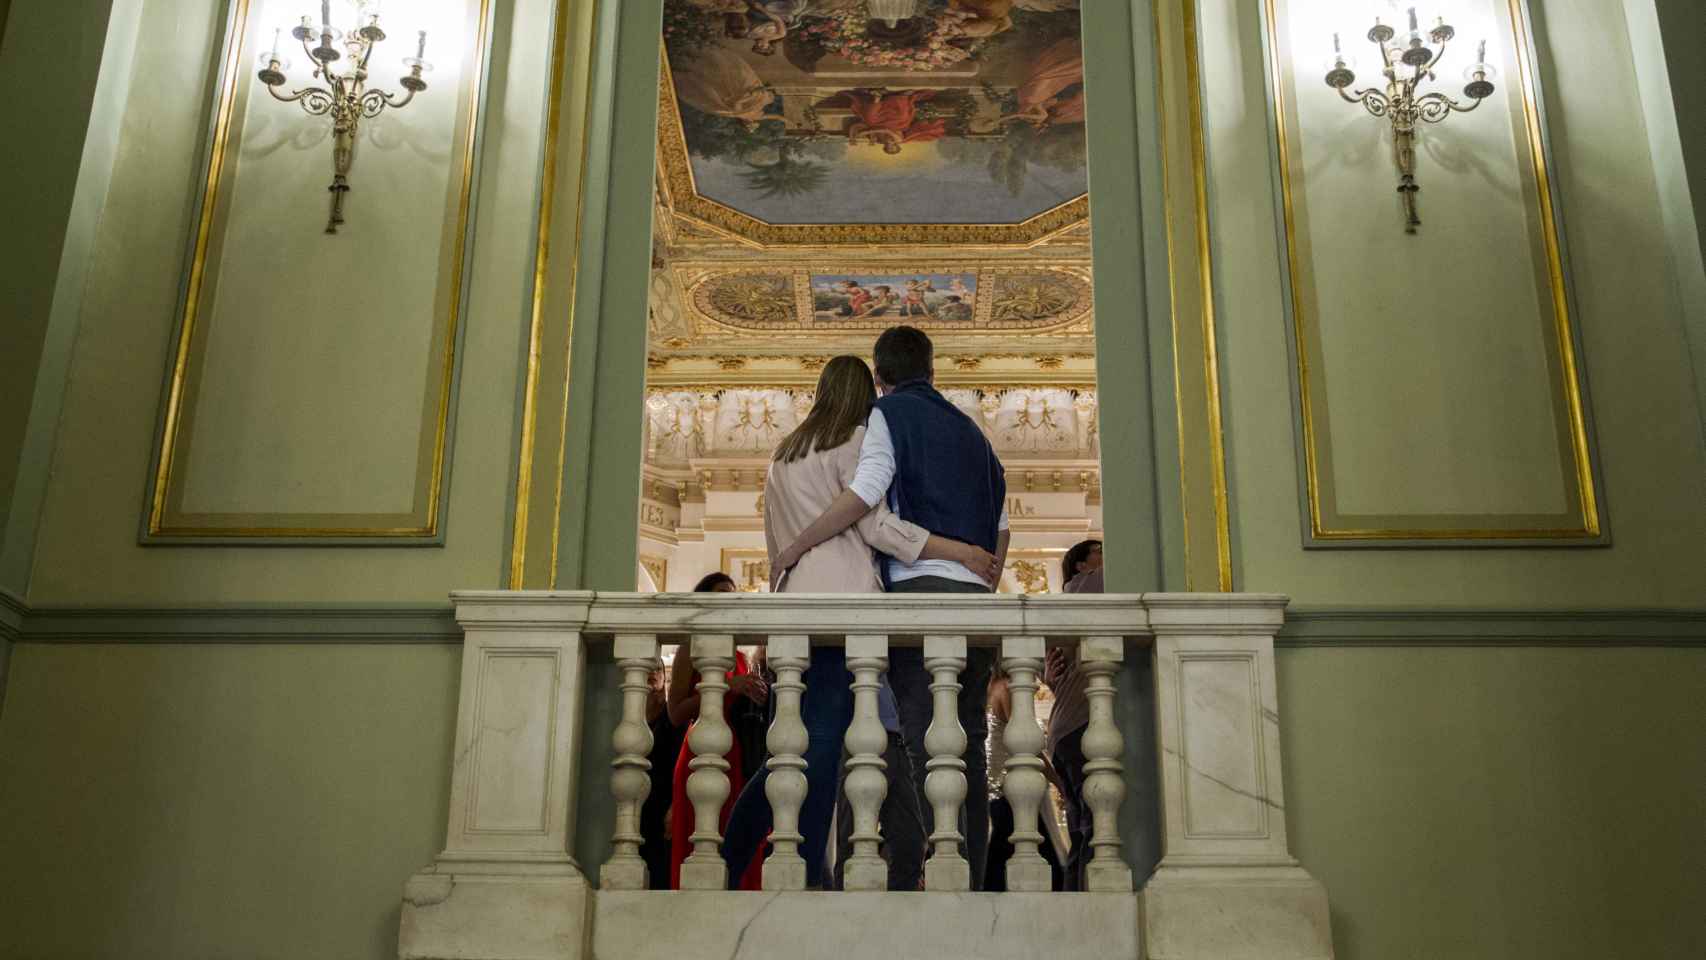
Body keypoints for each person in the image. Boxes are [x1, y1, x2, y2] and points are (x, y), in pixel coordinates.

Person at [718, 356, 998, 890]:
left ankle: (739, 859)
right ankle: (802, 872)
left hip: (794, 608)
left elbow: (776, 546)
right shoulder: (853, 443)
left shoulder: (783, 454)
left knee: (790, 749)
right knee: (822, 749)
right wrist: (957, 551)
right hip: (843, 611)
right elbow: (876, 525)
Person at [665, 572, 768, 889]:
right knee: (702, 834)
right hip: (702, 751)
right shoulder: (690, 648)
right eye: (722, 592)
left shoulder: (739, 656)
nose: (730, 598)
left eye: (733, 594)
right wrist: (725, 685)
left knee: (739, 833)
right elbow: (675, 712)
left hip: (739, 752)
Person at [1045, 538, 1103, 889]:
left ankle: (1075, 892)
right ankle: (1086, 896)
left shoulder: (1066, 601)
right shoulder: (1091, 585)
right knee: (1094, 822)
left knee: (1080, 823)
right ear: (1081, 565)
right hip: (1081, 724)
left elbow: (1048, 672)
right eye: (1099, 550)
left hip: (1062, 730)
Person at [983, 667, 1065, 891]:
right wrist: (1060, 783)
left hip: (998, 793)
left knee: (998, 868)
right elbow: (1029, 748)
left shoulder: (988, 689)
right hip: (1012, 791)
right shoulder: (1007, 689)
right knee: (1049, 869)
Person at [672, 47, 776, 129]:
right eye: (753, 122)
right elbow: (774, 117)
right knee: (724, 68)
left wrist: (749, 96)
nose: (754, 120)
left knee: (709, 72)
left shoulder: (739, 113)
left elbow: (737, 103)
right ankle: (690, 55)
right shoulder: (747, 113)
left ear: (746, 121)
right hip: (735, 90)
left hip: (727, 92)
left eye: (751, 122)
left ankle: (684, 60)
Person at [1001, 38, 1086, 130]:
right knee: (1047, 79)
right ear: (1042, 124)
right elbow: (1018, 114)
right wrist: (1001, 120)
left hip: (1031, 98)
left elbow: (1018, 115)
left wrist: (1000, 120)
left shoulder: (1031, 117)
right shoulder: (1042, 117)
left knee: (1041, 78)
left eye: (1034, 126)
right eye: (1037, 126)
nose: (1034, 125)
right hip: (1037, 97)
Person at [845, 90, 948, 154]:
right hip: (897, 122)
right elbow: (885, 130)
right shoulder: (899, 139)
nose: (890, 145)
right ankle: (903, 97)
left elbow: (858, 127)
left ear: (885, 147)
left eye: (888, 147)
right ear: (897, 146)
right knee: (902, 115)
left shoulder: (878, 140)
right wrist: (867, 132)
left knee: (869, 118)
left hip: (877, 122)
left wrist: (854, 137)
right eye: (893, 147)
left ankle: (877, 98)